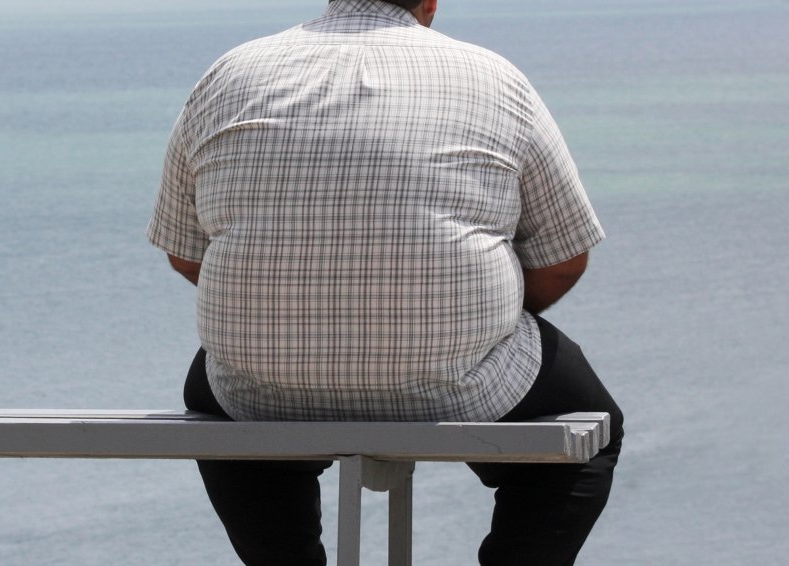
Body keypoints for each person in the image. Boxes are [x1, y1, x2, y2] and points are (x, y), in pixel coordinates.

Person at [146, 1, 624, 564]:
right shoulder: (495, 78)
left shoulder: (228, 75)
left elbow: (185, 253)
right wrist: (475, 322)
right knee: (592, 431)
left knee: (219, 397)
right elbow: (563, 259)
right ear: (430, 2)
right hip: (460, 380)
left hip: (258, 387)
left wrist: (292, 308)